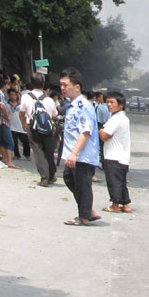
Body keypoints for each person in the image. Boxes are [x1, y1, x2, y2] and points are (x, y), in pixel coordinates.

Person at [59, 68, 100, 226]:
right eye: (61, 85)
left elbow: (85, 132)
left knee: (83, 185)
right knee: (70, 179)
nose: (62, 88)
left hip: (83, 155)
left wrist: (74, 154)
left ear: (77, 87)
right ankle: (88, 211)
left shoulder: (82, 106)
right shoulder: (72, 105)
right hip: (75, 154)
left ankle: (84, 216)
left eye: (66, 85)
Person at [20, 73, 58, 187]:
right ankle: (51, 175)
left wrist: (24, 125)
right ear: (43, 84)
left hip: (33, 128)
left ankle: (45, 178)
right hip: (48, 130)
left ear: (31, 84)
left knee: (38, 152)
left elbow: (21, 112)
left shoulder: (26, 97)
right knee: (49, 153)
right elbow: (54, 115)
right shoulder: (49, 100)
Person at [99, 92, 132, 214]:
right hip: (122, 156)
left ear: (121, 105)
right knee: (121, 182)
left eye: (112, 102)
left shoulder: (116, 119)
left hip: (113, 155)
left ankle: (115, 205)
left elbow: (105, 136)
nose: (109, 105)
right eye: (107, 102)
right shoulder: (123, 118)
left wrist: (99, 129)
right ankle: (126, 204)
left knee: (114, 182)